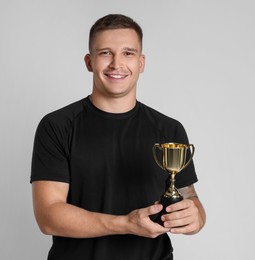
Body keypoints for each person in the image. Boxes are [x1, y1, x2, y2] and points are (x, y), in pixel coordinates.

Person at [30, 14, 206, 260]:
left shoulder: (170, 129)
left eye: (128, 53)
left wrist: (195, 216)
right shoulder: (57, 126)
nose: (116, 63)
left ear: (141, 62)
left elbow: (189, 196)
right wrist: (126, 223)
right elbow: (48, 216)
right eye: (105, 53)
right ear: (89, 61)